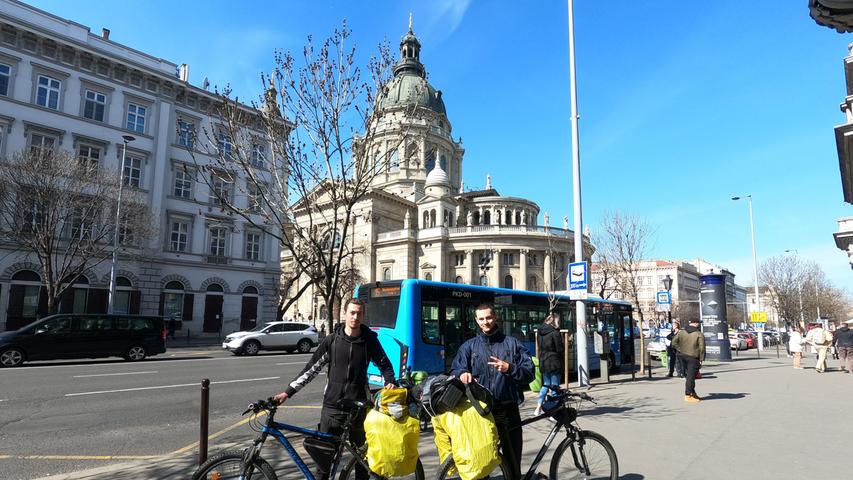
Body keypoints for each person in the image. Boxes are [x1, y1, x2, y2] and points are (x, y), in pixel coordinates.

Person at [273, 298, 395, 480]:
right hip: (332, 409)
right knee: (323, 464)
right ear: (345, 314)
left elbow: (385, 364)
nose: (355, 317)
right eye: (352, 313)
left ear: (363, 316)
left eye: (359, 313)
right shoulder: (332, 341)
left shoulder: (369, 340)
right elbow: (310, 370)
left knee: (362, 462)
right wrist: (287, 392)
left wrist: (390, 381)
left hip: (359, 408)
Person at [451, 303, 535, 480]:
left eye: (488, 317)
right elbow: (456, 369)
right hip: (480, 411)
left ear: (495, 317)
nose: (485, 322)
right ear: (476, 320)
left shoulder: (512, 344)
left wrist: (509, 368)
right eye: (481, 319)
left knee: (513, 461)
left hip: (508, 409)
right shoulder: (469, 346)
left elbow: (530, 373)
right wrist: (462, 373)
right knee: (483, 459)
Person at [534, 311, 564, 416]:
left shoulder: (540, 331)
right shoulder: (555, 333)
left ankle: (538, 407)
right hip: (554, 362)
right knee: (554, 387)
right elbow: (560, 349)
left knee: (546, 385)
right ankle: (553, 412)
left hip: (543, 361)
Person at [672, 318, 705, 403]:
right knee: (691, 377)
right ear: (696, 324)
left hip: (682, 356)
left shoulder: (681, 332)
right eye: (698, 323)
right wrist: (701, 358)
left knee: (689, 376)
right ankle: (688, 394)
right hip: (693, 357)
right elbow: (702, 348)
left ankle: (692, 393)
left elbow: (673, 343)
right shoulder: (699, 334)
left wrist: (680, 349)